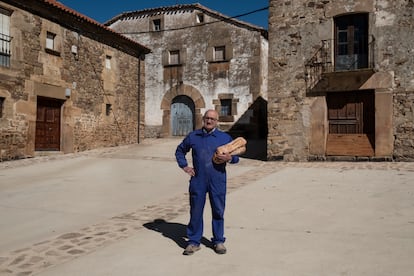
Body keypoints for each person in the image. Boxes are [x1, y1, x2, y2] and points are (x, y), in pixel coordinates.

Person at [175, 109, 240, 255]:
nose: (209, 121)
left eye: (212, 119)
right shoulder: (193, 136)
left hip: (218, 179)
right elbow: (180, 150)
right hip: (198, 180)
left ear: (217, 121)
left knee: (218, 210)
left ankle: (218, 241)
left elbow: (236, 157)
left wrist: (230, 158)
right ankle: (193, 241)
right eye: (207, 118)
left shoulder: (224, 138)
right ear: (203, 119)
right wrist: (184, 166)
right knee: (196, 210)